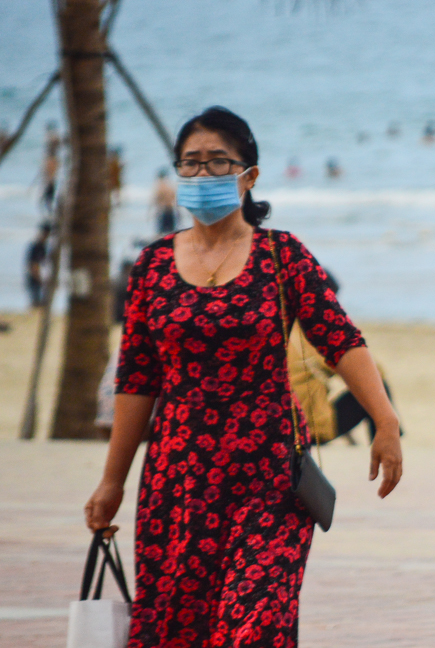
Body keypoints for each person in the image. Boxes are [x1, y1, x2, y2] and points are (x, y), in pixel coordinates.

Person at [84, 106, 403, 648]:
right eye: (191, 163)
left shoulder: (282, 256)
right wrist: (113, 480)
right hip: (177, 480)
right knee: (175, 631)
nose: (203, 175)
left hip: (270, 475)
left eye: (217, 163)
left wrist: (387, 421)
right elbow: (137, 381)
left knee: (253, 628)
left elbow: (340, 338)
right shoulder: (153, 266)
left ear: (249, 175)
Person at [25, 223, 51, 307]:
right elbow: (33, 264)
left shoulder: (43, 246)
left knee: (43, 301)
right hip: (35, 277)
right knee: (36, 301)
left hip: (41, 276)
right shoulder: (37, 246)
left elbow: (44, 262)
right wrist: (39, 278)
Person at [151, 168, 176, 235]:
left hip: (162, 210)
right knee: (171, 231)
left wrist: (149, 212)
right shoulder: (170, 186)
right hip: (171, 210)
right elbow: (174, 198)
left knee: (161, 232)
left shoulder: (159, 186)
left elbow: (154, 200)